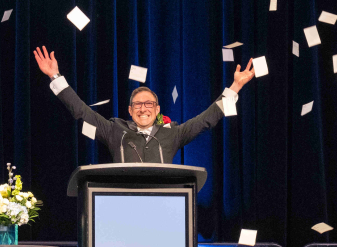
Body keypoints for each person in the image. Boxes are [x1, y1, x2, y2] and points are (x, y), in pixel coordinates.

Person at [33, 46, 255, 163]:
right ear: (130, 111)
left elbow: (207, 119)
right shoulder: (114, 130)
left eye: (149, 104)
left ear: (158, 109)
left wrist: (235, 87)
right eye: (137, 105)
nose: (143, 108)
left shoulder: (173, 133)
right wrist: (55, 76)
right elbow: (81, 111)